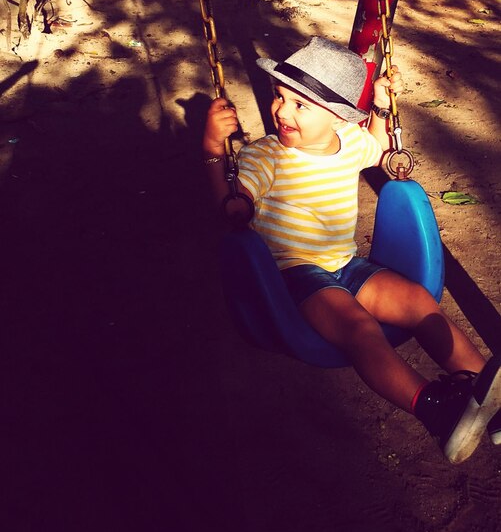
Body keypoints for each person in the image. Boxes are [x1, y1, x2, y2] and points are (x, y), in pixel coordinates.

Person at [202, 36, 501, 464]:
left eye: (300, 105)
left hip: (345, 265)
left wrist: (380, 106)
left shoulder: (348, 141)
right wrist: (213, 151)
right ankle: (438, 411)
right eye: (279, 96)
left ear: (338, 116)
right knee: (361, 330)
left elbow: (377, 147)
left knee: (419, 302)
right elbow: (233, 212)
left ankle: (484, 397)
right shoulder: (263, 157)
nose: (282, 111)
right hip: (294, 277)